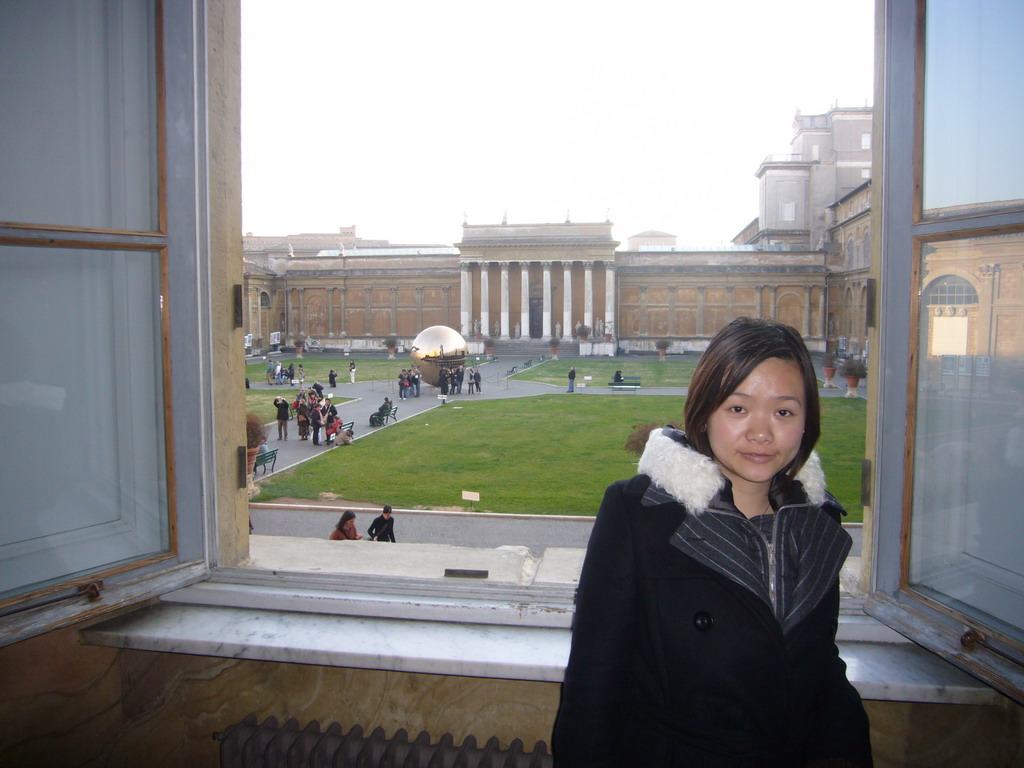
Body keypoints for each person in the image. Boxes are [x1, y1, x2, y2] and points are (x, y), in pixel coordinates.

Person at [552, 317, 873, 768]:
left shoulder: (814, 523)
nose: (761, 433)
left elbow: (820, 674)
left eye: (784, 411)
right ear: (704, 412)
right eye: (738, 409)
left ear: (807, 423)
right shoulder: (636, 514)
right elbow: (592, 687)